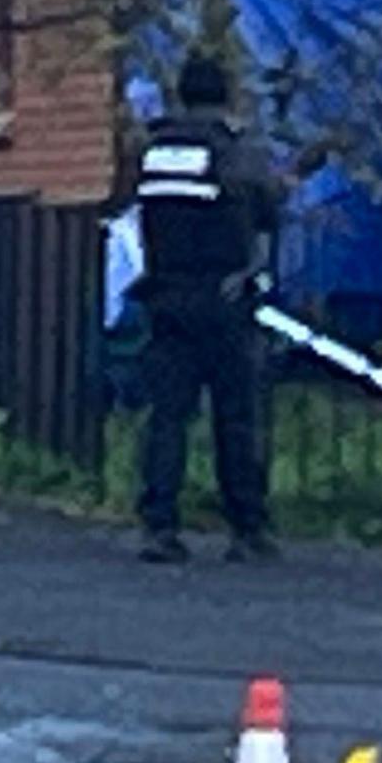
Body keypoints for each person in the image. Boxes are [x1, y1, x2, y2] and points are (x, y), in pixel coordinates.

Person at [123, 54, 284, 564]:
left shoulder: (153, 150)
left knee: (167, 416)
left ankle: (159, 525)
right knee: (236, 417)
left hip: (166, 296)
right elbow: (267, 211)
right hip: (224, 298)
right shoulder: (234, 150)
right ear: (225, 96)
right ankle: (246, 528)